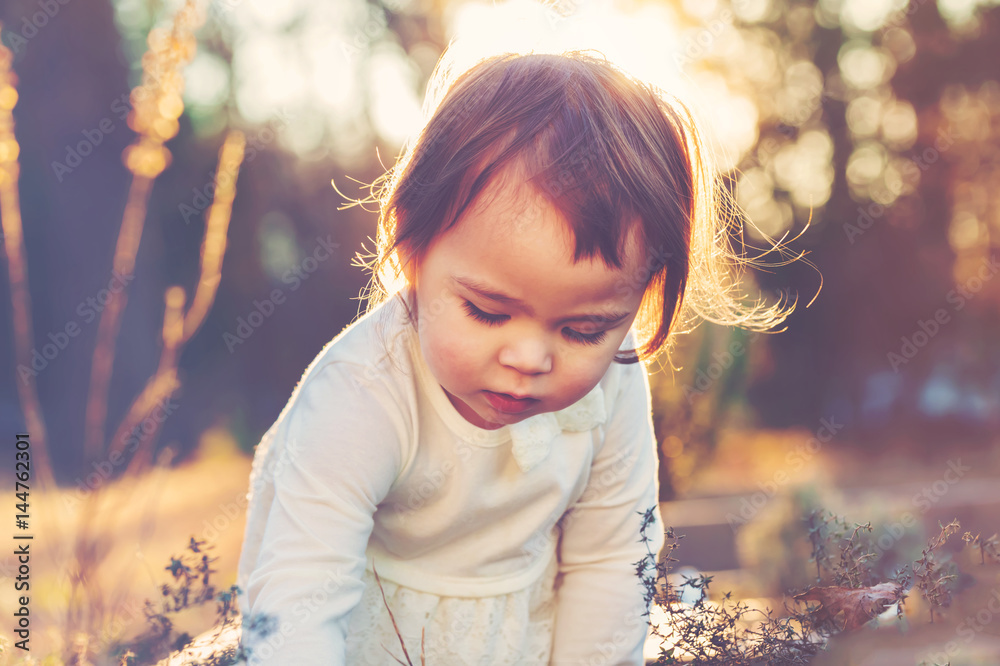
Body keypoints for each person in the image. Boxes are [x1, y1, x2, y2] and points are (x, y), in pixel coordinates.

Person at [237, 49, 790, 665]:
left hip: (517, 638)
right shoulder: (361, 392)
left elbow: (611, 559)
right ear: (412, 251)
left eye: (583, 329)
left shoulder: (613, 380)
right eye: (487, 312)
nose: (530, 358)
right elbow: (300, 600)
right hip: (366, 638)